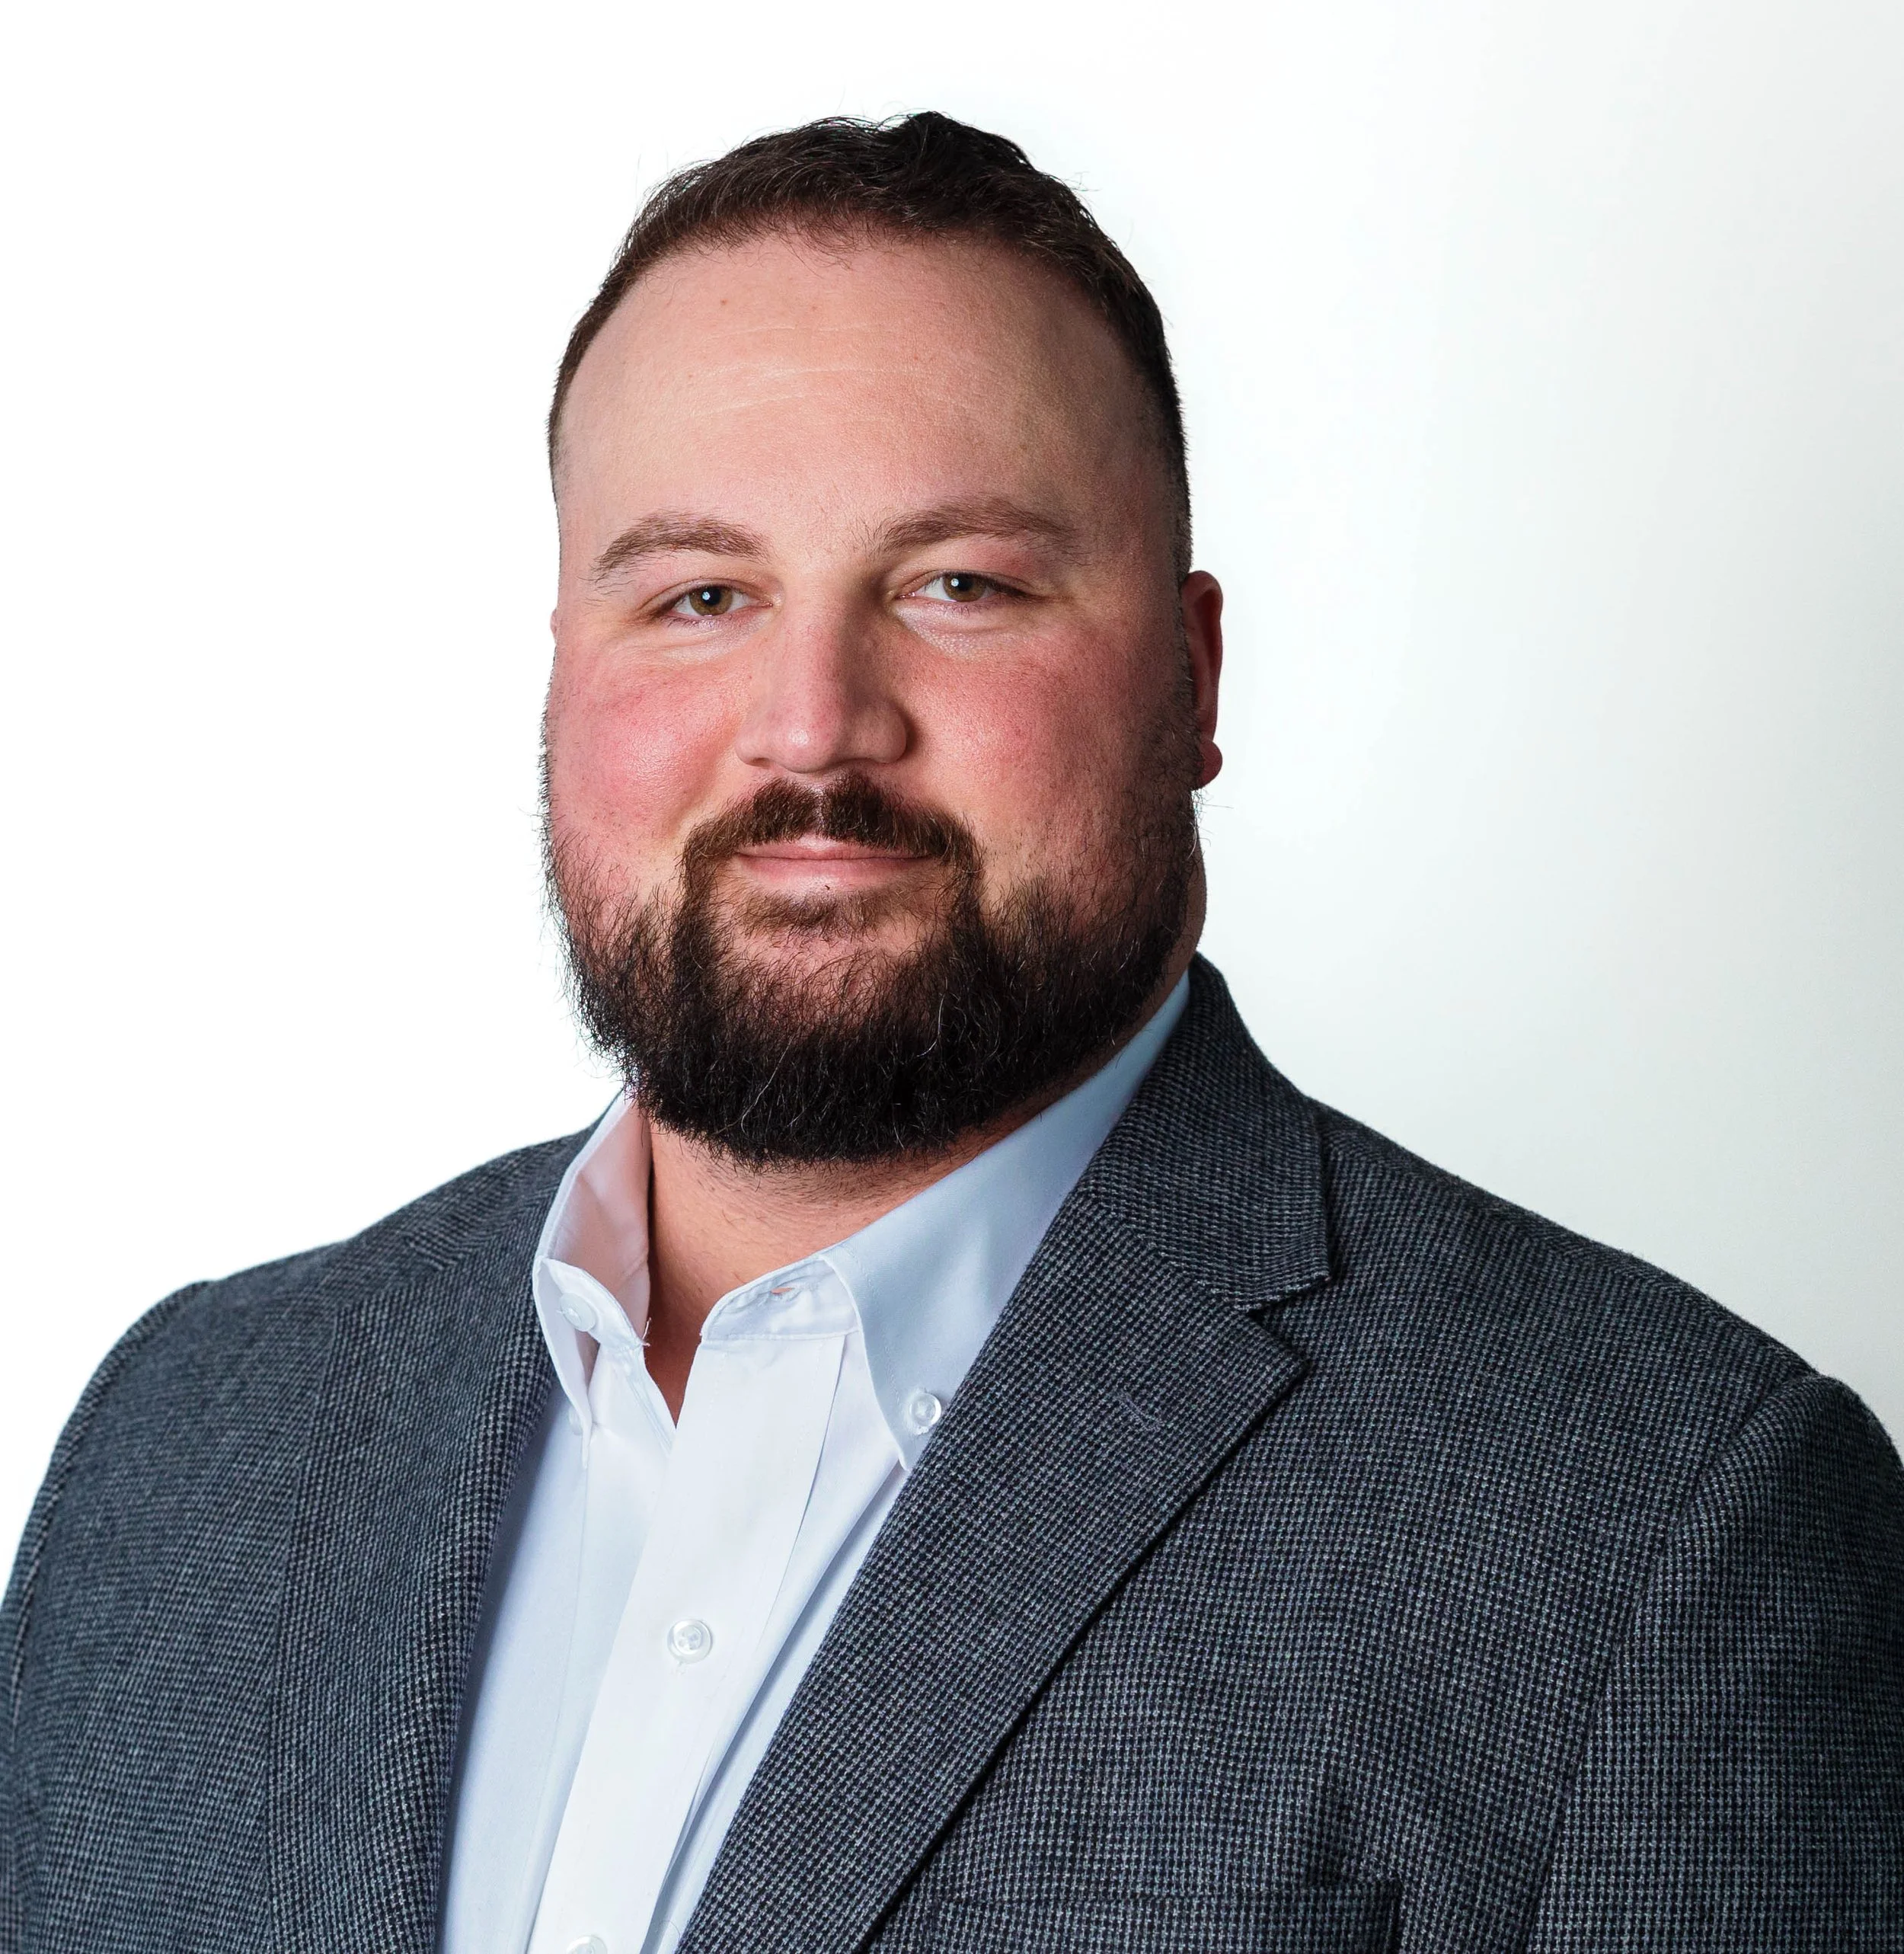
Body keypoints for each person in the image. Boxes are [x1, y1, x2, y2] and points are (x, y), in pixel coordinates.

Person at [2, 110, 1899, 1954]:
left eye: (959, 587)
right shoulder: (185, 1440)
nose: (813, 724)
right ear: (564, 667)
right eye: (699, 595)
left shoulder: (1656, 1527)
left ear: (1191, 674)